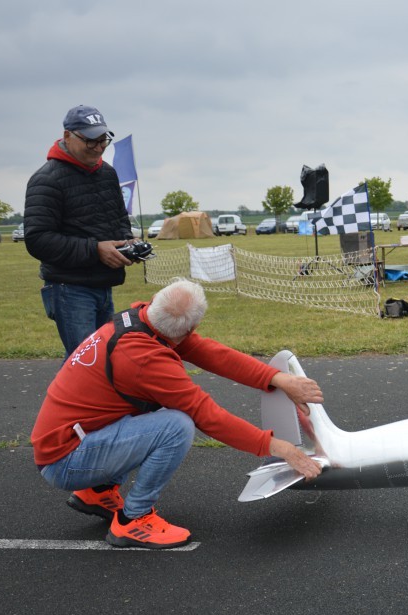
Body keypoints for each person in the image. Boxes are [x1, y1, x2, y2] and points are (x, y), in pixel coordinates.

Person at [31, 279, 325, 549]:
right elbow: (207, 416)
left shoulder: (141, 317)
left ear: (155, 299)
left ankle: (97, 491)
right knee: (177, 425)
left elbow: (211, 353)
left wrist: (278, 378)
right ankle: (133, 519)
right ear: (189, 328)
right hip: (65, 461)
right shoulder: (146, 360)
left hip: (70, 441)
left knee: (160, 411)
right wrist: (280, 448)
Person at [24, 105, 138, 360]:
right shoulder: (46, 180)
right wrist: (96, 250)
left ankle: (65, 401)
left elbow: (118, 217)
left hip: (102, 283)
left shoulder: (107, 174)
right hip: (68, 288)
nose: (98, 148)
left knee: (94, 360)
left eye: (103, 140)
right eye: (90, 141)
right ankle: (64, 401)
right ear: (68, 137)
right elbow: (37, 240)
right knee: (87, 361)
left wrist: (126, 242)